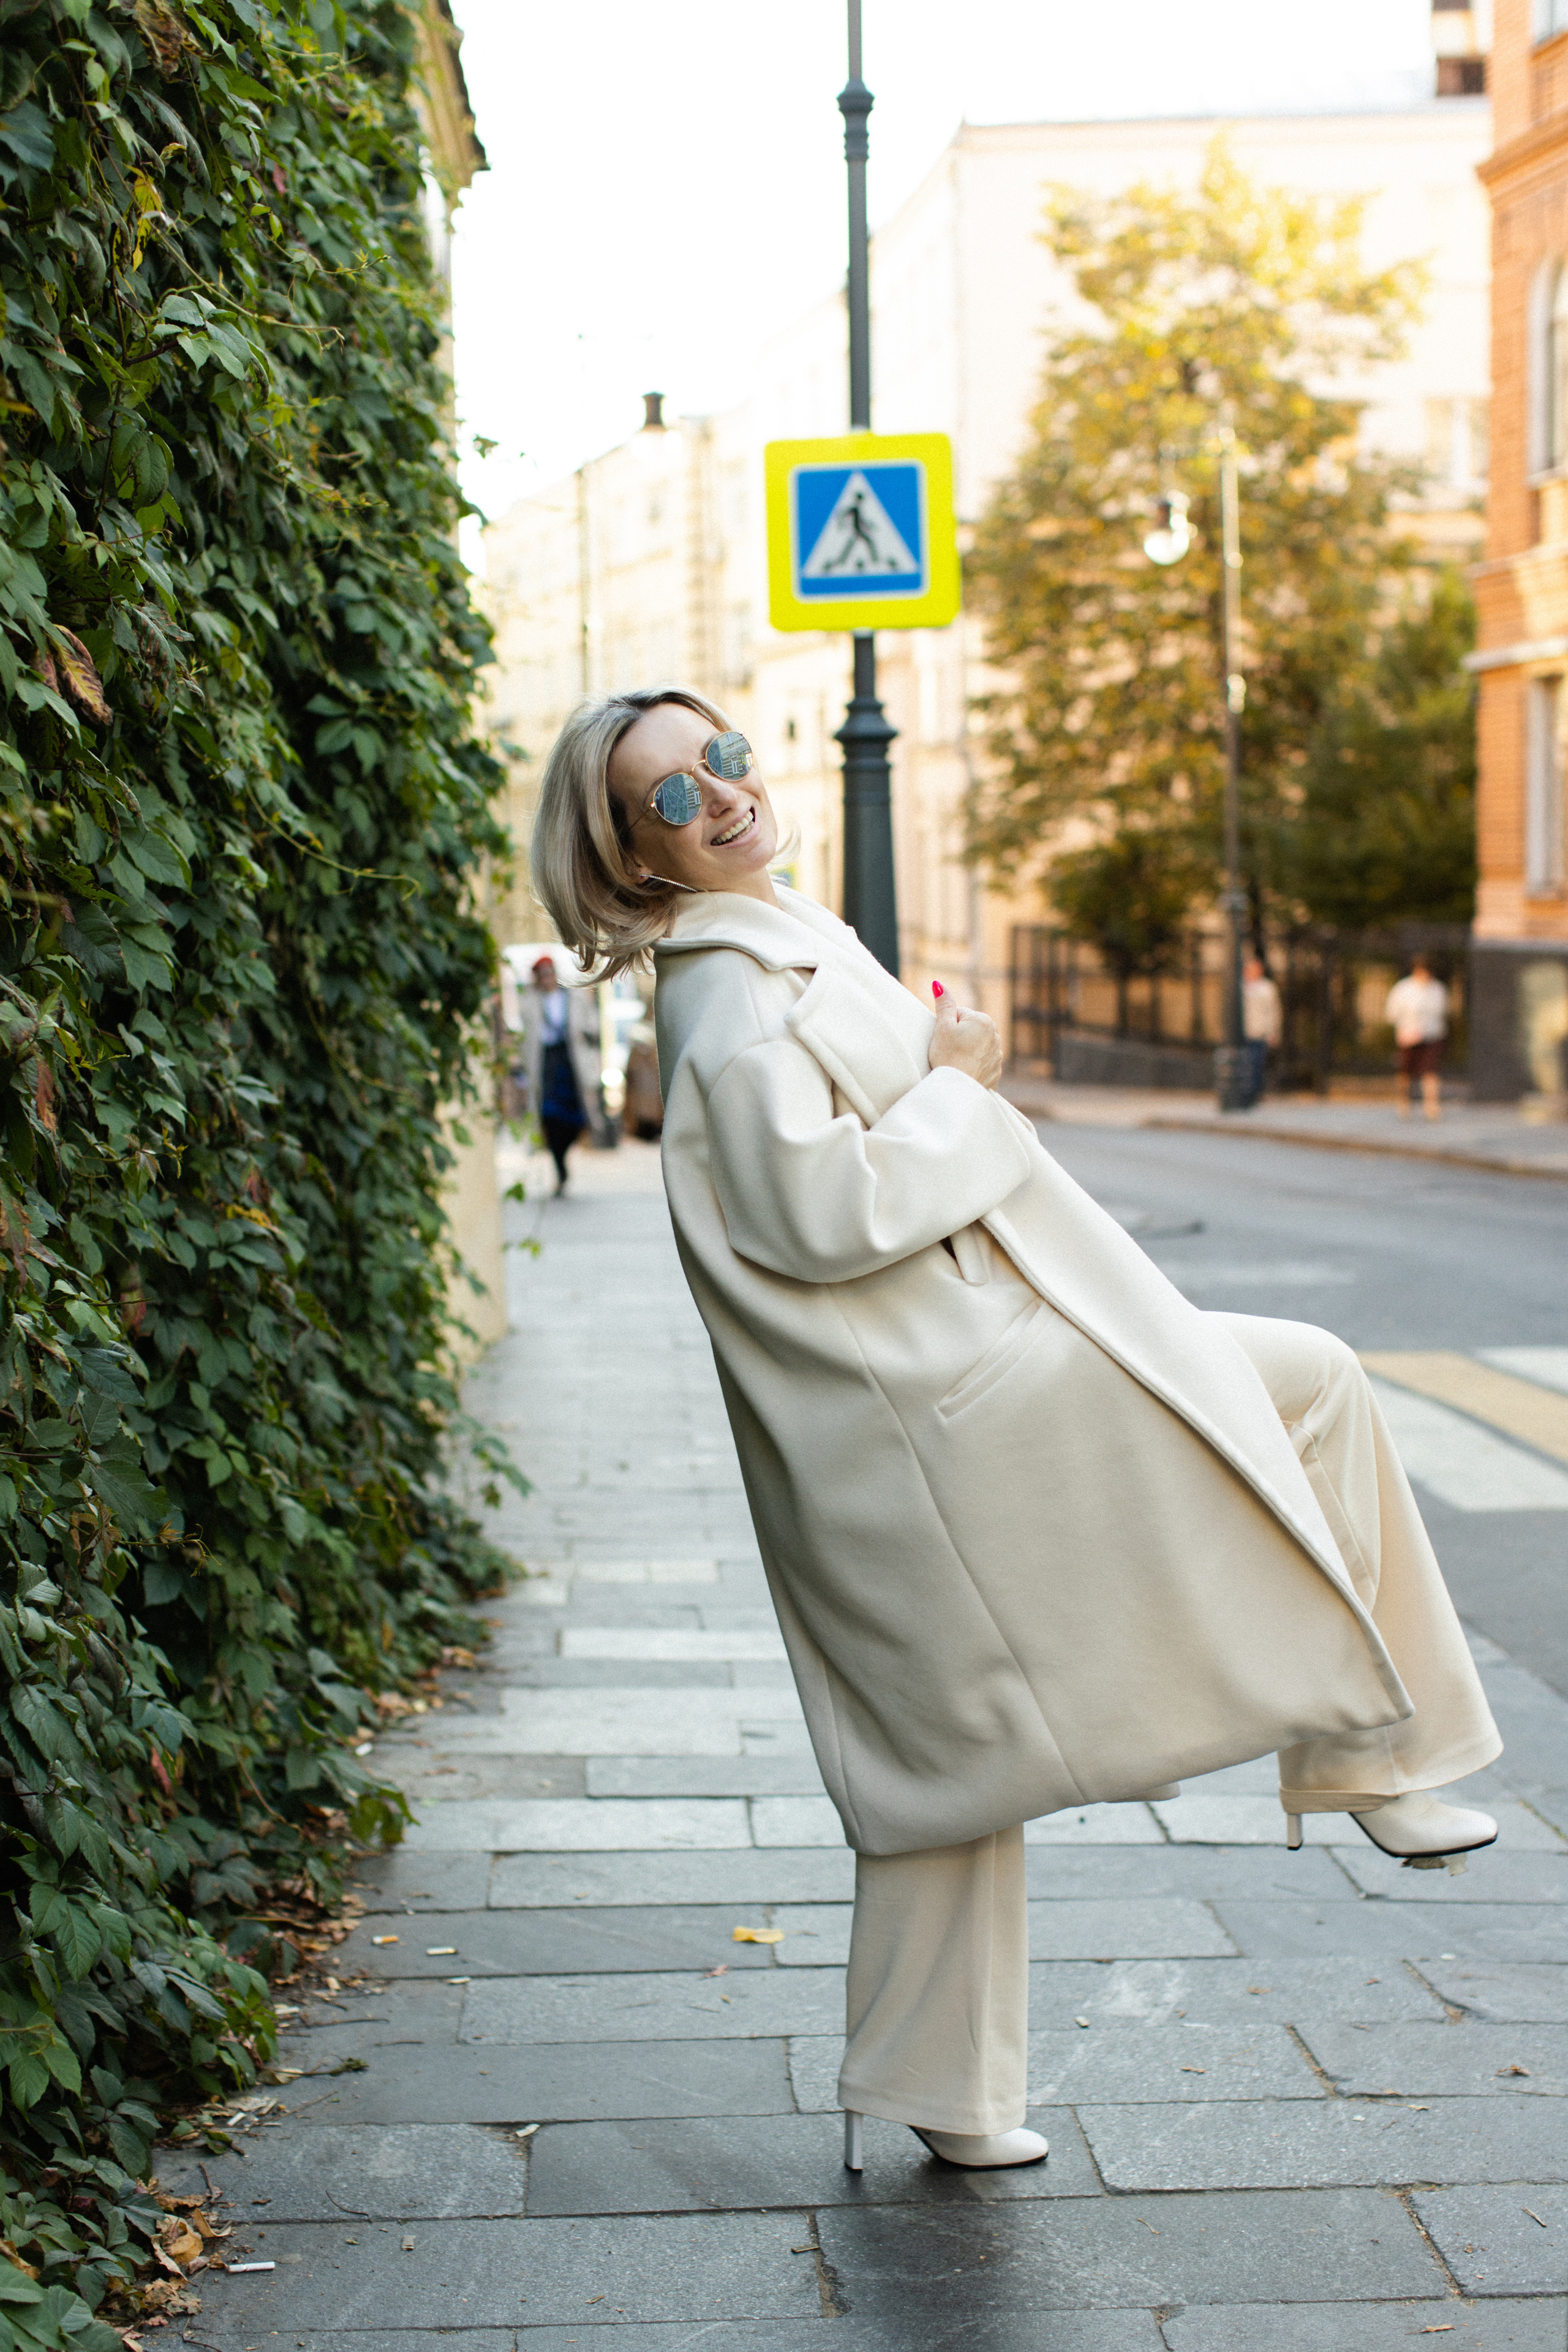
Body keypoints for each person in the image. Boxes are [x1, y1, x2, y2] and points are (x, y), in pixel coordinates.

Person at [530, 685, 1501, 2176]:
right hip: (940, 1391)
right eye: (668, 796)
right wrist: (960, 1085)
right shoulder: (729, 988)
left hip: (907, 1402)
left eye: (719, 756)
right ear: (633, 854)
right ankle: (1374, 1754)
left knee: (944, 1751)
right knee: (1303, 1378)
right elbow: (823, 1208)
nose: (717, 796)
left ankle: (948, 2090)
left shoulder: (768, 939)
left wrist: (935, 1081)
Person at [519, 953, 601, 1193]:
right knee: (550, 1118)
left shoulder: (574, 997)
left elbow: (591, 1027)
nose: (547, 979)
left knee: (576, 1118)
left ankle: (564, 1156)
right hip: (546, 1065)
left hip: (571, 1061)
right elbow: (524, 1037)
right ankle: (559, 1165)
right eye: (541, 975)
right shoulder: (529, 1001)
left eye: (550, 973)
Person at [1385, 956, 1449, 1123]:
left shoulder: (1437, 989)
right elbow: (1392, 1013)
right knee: (1405, 1073)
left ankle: (1431, 1106)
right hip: (1408, 1037)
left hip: (1431, 1037)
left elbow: (1441, 1012)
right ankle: (1404, 1103)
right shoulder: (1404, 989)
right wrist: (1406, 1029)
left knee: (1431, 1071)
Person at [1241, 955, 1282, 1104]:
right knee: (1244, 1064)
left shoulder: (1267, 988)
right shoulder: (1241, 986)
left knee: (1256, 1064)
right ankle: (1244, 1093)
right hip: (1244, 1032)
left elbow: (1273, 1011)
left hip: (1260, 1032)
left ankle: (1255, 1094)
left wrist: (1274, 1032)